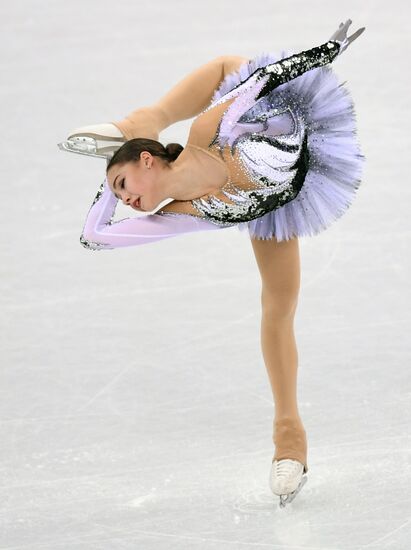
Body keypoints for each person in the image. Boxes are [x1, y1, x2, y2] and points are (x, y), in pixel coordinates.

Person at [58, 19, 365, 507]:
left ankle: (147, 118)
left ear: (148, 161)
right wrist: (108, 184)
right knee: (278, 309)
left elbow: (262, 81)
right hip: (276, 207)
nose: (127, 202)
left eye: (124, 187)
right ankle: (290, 439)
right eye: (119, 197)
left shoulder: (208, 129)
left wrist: (325, 51)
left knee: (230, 67)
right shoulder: (184, 214)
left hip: (290, 124)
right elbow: (95, 237)